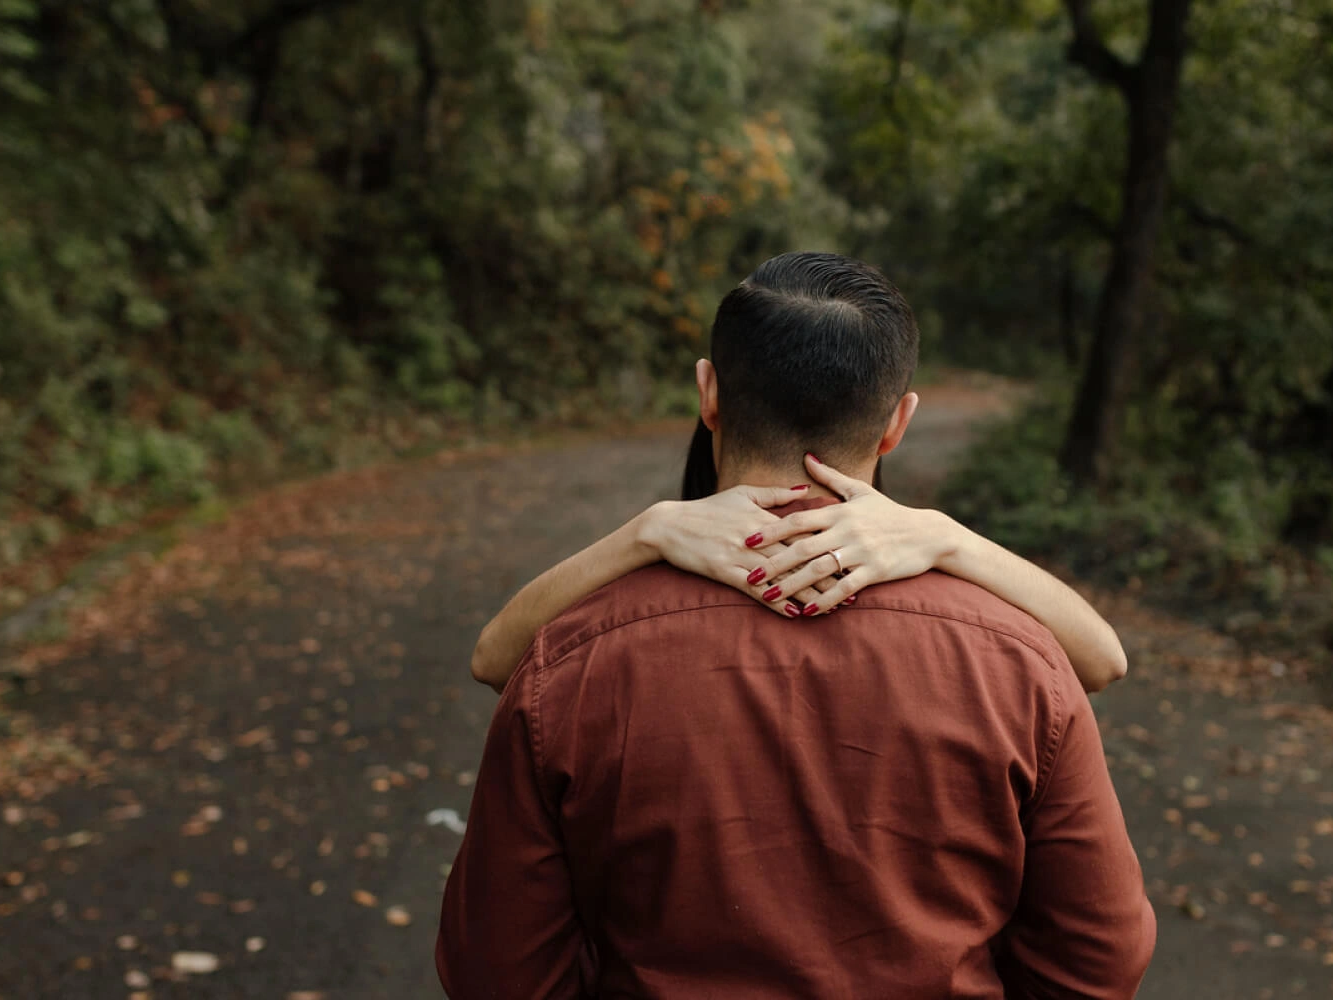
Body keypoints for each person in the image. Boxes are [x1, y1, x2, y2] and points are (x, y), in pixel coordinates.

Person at [437, 252, 1156, 998]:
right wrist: (949, 537)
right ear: (897, 423)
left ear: (708, 393)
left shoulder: (570, 658)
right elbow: (1098, 959)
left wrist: (647, 533)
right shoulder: (1022, 660)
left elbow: (497, 970)